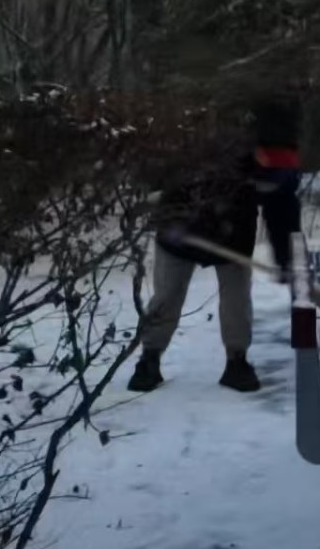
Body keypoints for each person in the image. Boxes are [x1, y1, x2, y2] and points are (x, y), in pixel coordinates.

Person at [128, 101, 303, 394]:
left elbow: (282, 213)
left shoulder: (281, 168)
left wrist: (285, 259)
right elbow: (172, 189)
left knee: (236, 298)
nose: (272, 167)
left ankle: (237, 361)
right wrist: (179, 226)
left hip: (235, 234)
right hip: (181, 233)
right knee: (167, 296)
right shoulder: (210, 151)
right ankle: (149, 359)